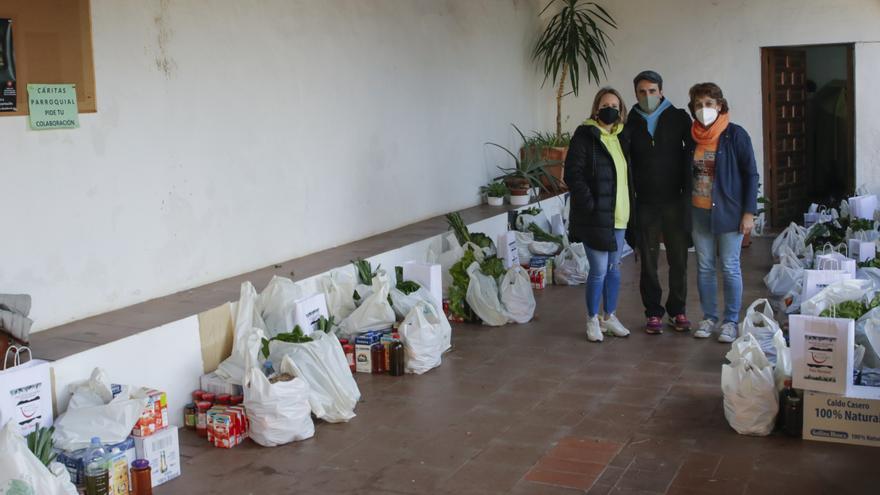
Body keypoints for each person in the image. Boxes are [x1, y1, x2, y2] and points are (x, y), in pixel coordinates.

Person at [687, 82, 759, 342]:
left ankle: (730, 321)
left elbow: (751, 174)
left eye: (708, 104)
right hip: (699, 211)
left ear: (719, 105)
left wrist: (749, 212)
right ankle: (709, 317)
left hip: (729, 212)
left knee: (729, 266)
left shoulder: (735, 134)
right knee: (705, 267)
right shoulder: (691, 136)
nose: (704, 109)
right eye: (698, 105)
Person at [564, 88, 637, 342]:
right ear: (596, 108)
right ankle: (592, 319)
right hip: (595, 216)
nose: (611, 109)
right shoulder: (585, 136)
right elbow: (572, 174)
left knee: (614, 268)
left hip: (619, 215)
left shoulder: (621, 136)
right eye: (606, 104)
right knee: (598, 270)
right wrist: (590, 205)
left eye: (615, 105)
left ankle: (610, 316)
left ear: (621, 109)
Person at [625, 70, 694, 335]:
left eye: (652, 91)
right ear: (636, 94)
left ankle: (678, 310)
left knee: (678, 259)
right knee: (649, 261)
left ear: (661, 91)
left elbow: (692, 154)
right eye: (642, 92)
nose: (647, 96)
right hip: (646, 203)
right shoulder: (630, 122)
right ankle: (653, 312)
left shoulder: (678, 118)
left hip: (675, 200)